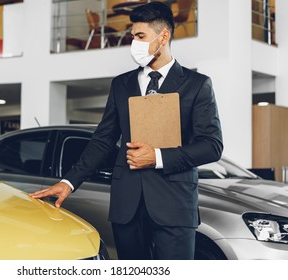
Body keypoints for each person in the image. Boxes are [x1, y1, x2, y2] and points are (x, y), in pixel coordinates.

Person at [30, 2, 223, 260]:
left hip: (174, 205)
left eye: (140, 36)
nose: (134, 42)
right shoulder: (122, 84)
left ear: (163, 36)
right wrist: (69, 182)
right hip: (127, 206)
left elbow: (211, 145)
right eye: (133, 36)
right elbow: (103, 140)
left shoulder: (197, 85)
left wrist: (157, 157)